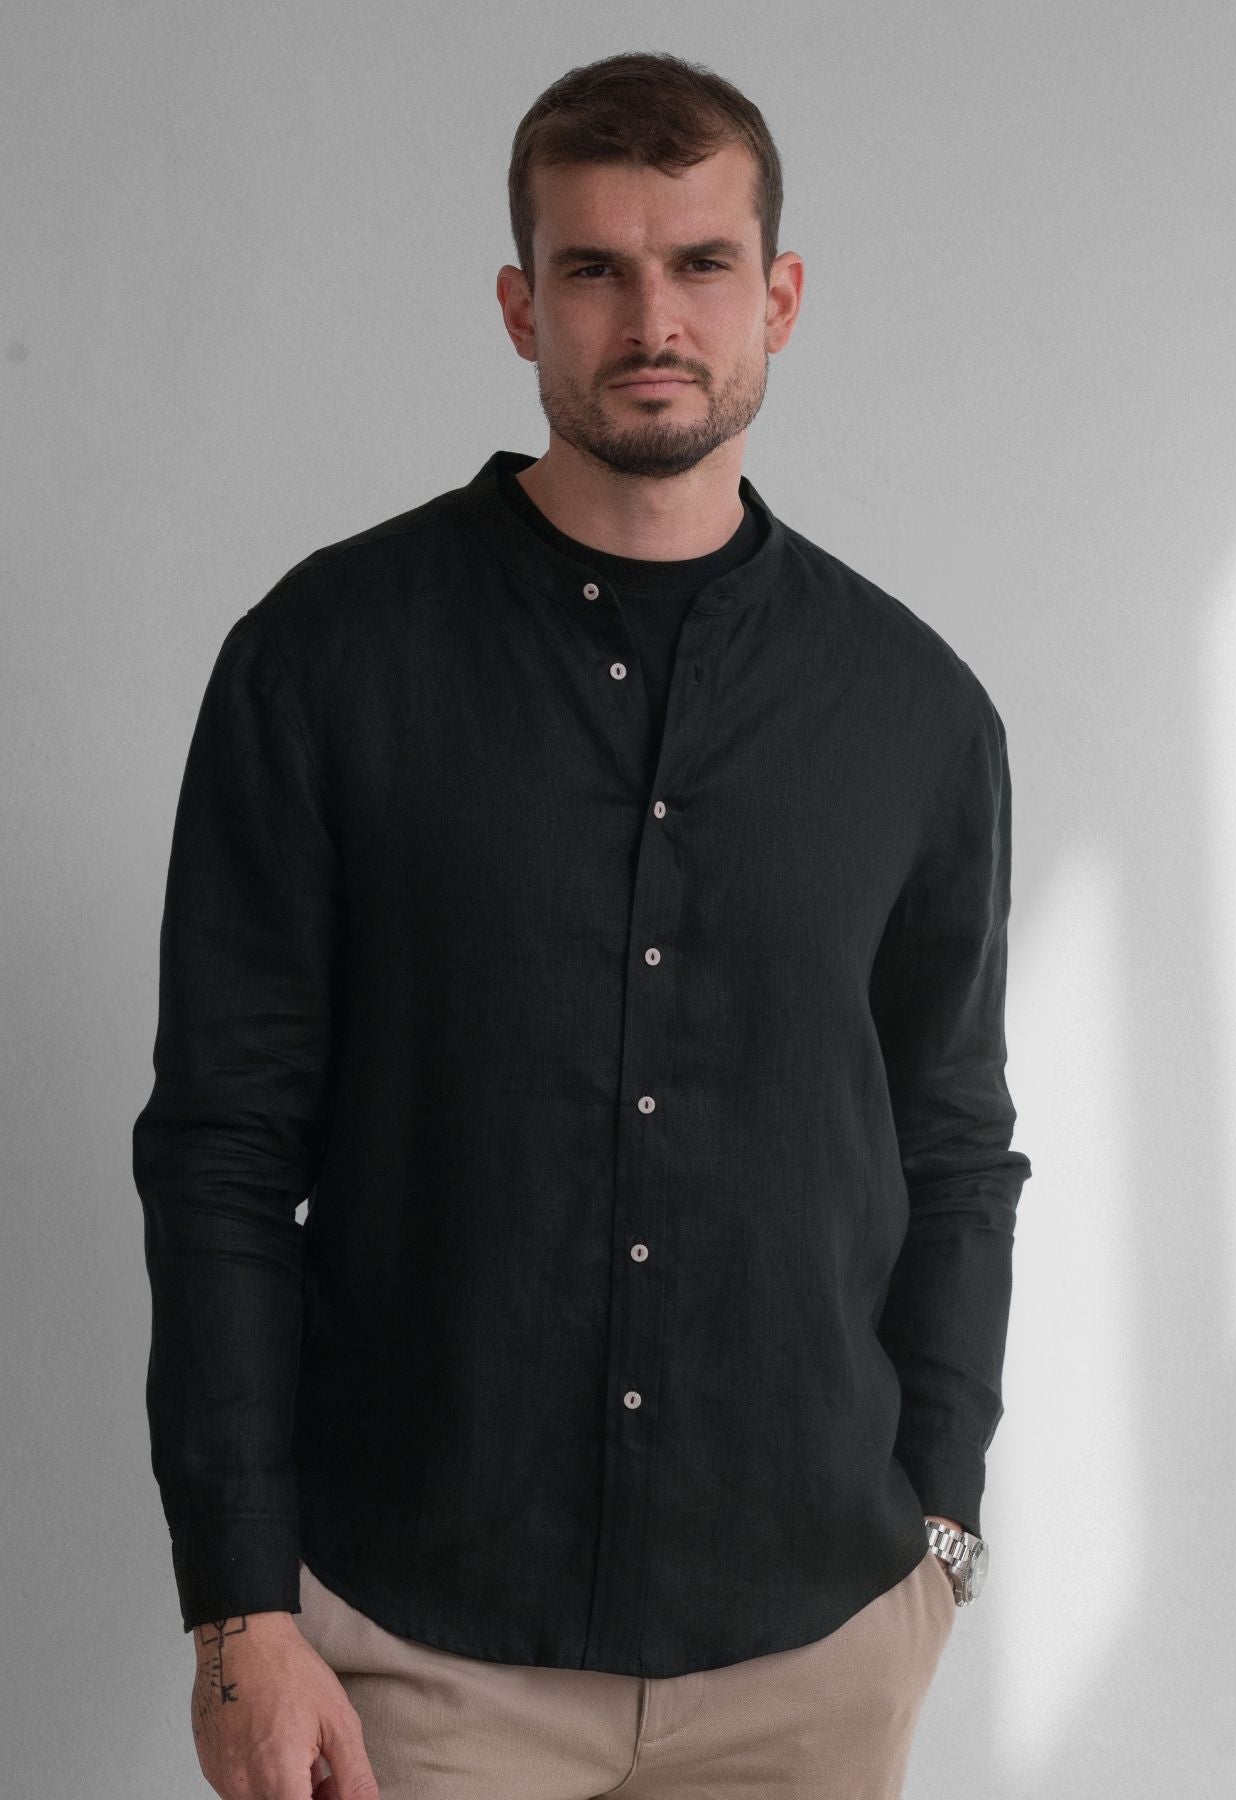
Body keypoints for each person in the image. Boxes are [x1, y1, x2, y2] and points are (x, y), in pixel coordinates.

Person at [133, 47, 1032, 1800]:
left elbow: (953, 1146)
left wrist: (938, 1527)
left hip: (814, 1651)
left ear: (778, 297)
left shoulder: (914, 711)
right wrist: (241, 1614)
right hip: (418, 1652)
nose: (652, 319)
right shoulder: (324, 662)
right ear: (518, 304)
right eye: (595, 268)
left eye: (701, 264)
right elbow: (224, 1150)